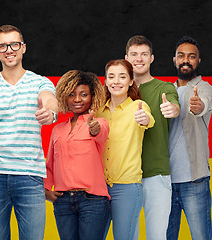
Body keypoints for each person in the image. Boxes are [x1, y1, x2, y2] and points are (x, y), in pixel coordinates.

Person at [0, 24, 59, 240]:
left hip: (29, 176)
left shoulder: (39, 82)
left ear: (23, 48)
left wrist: (50, 112)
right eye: (3, 46)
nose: (9, 50)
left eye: (14, 44)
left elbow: (49, 99)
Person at [124, 35, 180, 240]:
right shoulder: (118, 90)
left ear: (152, 58)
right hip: (125, 177)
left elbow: (174, 105)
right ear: (126, 58)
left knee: (157, 236)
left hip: (156, 174)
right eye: (134, 54)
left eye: (144, 54)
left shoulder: (164, 88)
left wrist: (171, 109)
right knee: (128, 235)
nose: (139, 59)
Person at [44, 70, 110, 240]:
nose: (77, 99)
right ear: (65, 96)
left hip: (92, 201)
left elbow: (100, 132)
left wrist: (94, 127)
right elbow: (50, 165)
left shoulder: (100, 123)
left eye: (83, 94)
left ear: (92, 96)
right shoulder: (58, 130)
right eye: (72, 95)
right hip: (63, 202)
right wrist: (46, 191)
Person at [97, 59, 155, 240]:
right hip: (98, 188)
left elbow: (148, 120)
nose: (116, 81)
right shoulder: (98, 111)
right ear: (105, 81)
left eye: (122, 77)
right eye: (111, 77)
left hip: (127, 188)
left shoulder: (138, 107)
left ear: (131, 81)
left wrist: (144, 118)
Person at [167, 36, 212, 240]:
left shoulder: (204, 88)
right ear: (174, 60)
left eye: (191, 56)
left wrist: (198, 105)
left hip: (194, 182)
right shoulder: (165, 91)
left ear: (198, 61)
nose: (186, 60)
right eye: (181, 56)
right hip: (165, 183)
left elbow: (203, 103)